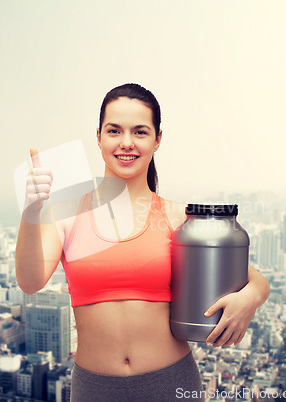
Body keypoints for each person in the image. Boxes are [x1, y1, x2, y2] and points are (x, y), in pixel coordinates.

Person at [15, 83, 270, 401]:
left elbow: (252, 277)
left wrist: (251, 299)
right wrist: (31, 211)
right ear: (98, 137)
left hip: (171, 383)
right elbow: (29, 281)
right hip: (94, 390)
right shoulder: (64, 214)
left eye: (139, 132)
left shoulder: (179, 217)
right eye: (114, 131)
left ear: (157, 139)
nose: (126, 143)